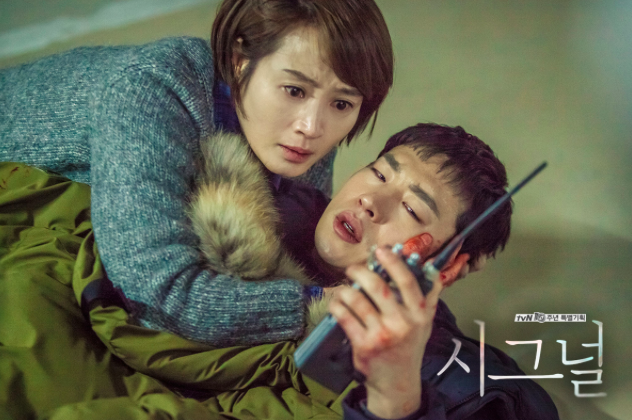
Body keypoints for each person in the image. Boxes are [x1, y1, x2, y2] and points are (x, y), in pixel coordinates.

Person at [0, 0, 394, 346]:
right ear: (239, 60)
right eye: (294, 90)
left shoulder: (303, 142)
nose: (312, 127)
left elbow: (291, 253)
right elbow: (158, 296)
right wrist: (316, 303)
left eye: (341, 104)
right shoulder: (152, 90)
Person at [185, 123, 558, 419]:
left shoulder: (457, 374)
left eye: (412, 210)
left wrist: (397, 392)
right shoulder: (244, 194)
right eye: (379, 175)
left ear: (445, 267)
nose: (371, 201)